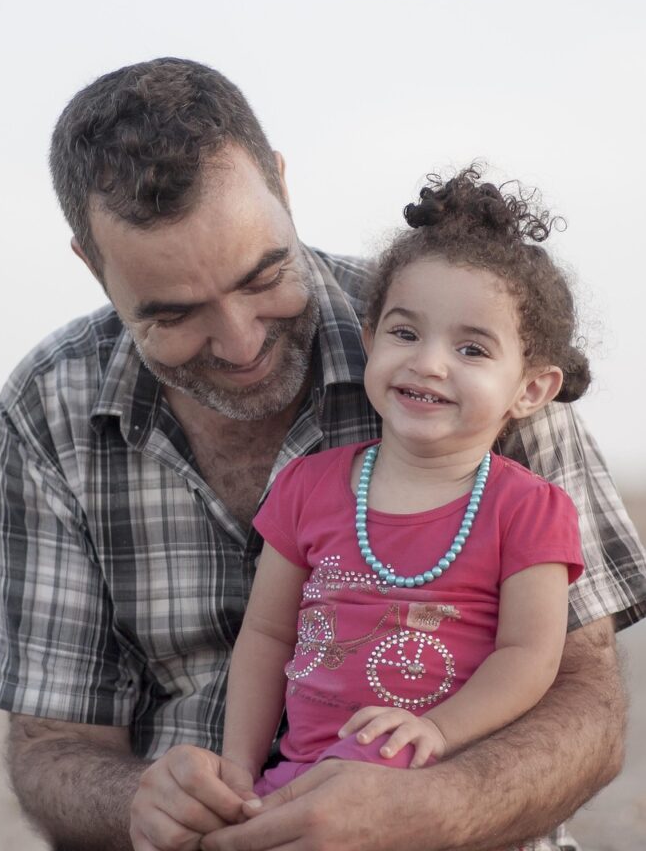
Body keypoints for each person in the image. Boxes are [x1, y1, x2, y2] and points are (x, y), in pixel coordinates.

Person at [0, 57, 645, 851]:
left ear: (281, 186)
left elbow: (583, 697)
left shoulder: (464, 323)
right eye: (173, 314)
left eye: (263, 276)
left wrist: (429, 808)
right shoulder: (50, 404)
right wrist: (146, 804)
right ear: (91, 264)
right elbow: (52, 744)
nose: (242, 342)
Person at [221, 171, 586, 803]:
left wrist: (435, 731)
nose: (429, 362)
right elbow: (267, 635)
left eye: (472, 349)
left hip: (427, 789)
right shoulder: (308, 485)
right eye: (406, 333)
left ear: (530, 389)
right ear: (370, 341)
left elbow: (529, 657)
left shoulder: (528, 510)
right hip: (296, 784)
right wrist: (236, 768)